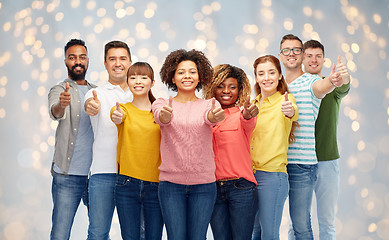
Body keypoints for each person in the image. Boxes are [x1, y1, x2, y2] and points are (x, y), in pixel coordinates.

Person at [151, 49, 225, 240]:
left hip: (204, 185)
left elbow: (210, 118)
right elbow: (161, 117)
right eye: (181, 72)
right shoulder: (161, 102)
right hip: (170, 186)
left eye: (192, 71)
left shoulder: (210, 105)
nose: (187, 76)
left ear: (200, 76)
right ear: (172, 78)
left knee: (197, 237)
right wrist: (166, 115)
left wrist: (213, 117)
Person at [278, 34, 344, 240]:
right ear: (280, 56)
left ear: (301, 56)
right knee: (291, 224)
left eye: (296, 50)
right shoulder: (278, 85)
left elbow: (321, 88)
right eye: (287, 50)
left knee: (303, 224)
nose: (292, 54)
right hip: (278, 164)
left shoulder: (312, 81)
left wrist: (332, 81)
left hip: (304, 164)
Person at [203, 64, 259, 240]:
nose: (226, 91)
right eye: (220, 86)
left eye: (232, 87)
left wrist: (249, 114)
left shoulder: (242, 115)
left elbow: (248, 120)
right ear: (213, 88)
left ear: (239, 90)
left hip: (241, 188)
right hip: (213, 189)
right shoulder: (206, 117)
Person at [48, 38, 96, 239]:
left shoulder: (97, 91)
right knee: (60, 234)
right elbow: (55, 112)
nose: (78, 61)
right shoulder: (59, 90)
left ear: (87, 61)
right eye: (72, 57)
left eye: (82, 57)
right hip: (67, 176)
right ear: (66, 61)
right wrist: (62, 104)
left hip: (95, 177)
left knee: (99, 232)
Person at [303, 40, 351, 240]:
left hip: (328, 161)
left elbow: (344, 87)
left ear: (323, 59)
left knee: (327, 223)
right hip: (300, 163)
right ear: (302, 59)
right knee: (299, 222)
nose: (314, 60)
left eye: (318, 56)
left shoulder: (332, 84)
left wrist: (345, 77)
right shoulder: (294, 87)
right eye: (309, 56)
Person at [84, 40, 132, 240]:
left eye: (122, 58)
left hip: (133, 175)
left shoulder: (140, 93)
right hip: (103, 173)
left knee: (136, 234)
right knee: (97, 233)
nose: (117, 63)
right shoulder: (96, 94)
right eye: (112, 59)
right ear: (105, 64)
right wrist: (91, 106)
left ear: (130, 62)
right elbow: (90, 105)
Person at [110, 62, 164, 240]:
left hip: (156, 186)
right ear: (127, 82)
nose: (137, 81)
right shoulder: (123, 109)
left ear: (152, 82)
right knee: (130, 237)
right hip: (127, 184)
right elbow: (117, 116)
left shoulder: (160, 114)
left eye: (143, 77)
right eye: (132, 77)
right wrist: (117, 116)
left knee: (153, 237)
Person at [250, 55, 299, 240]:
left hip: (272, 176)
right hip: (249, 176)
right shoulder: (253, 105)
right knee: (254, 232)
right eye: (261, 73)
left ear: (279, 75)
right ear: (256, 77)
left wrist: (290, 110)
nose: (266, 78)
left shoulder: (285, 100)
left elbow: (292, 111)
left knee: (269, 234)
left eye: (271, 72)